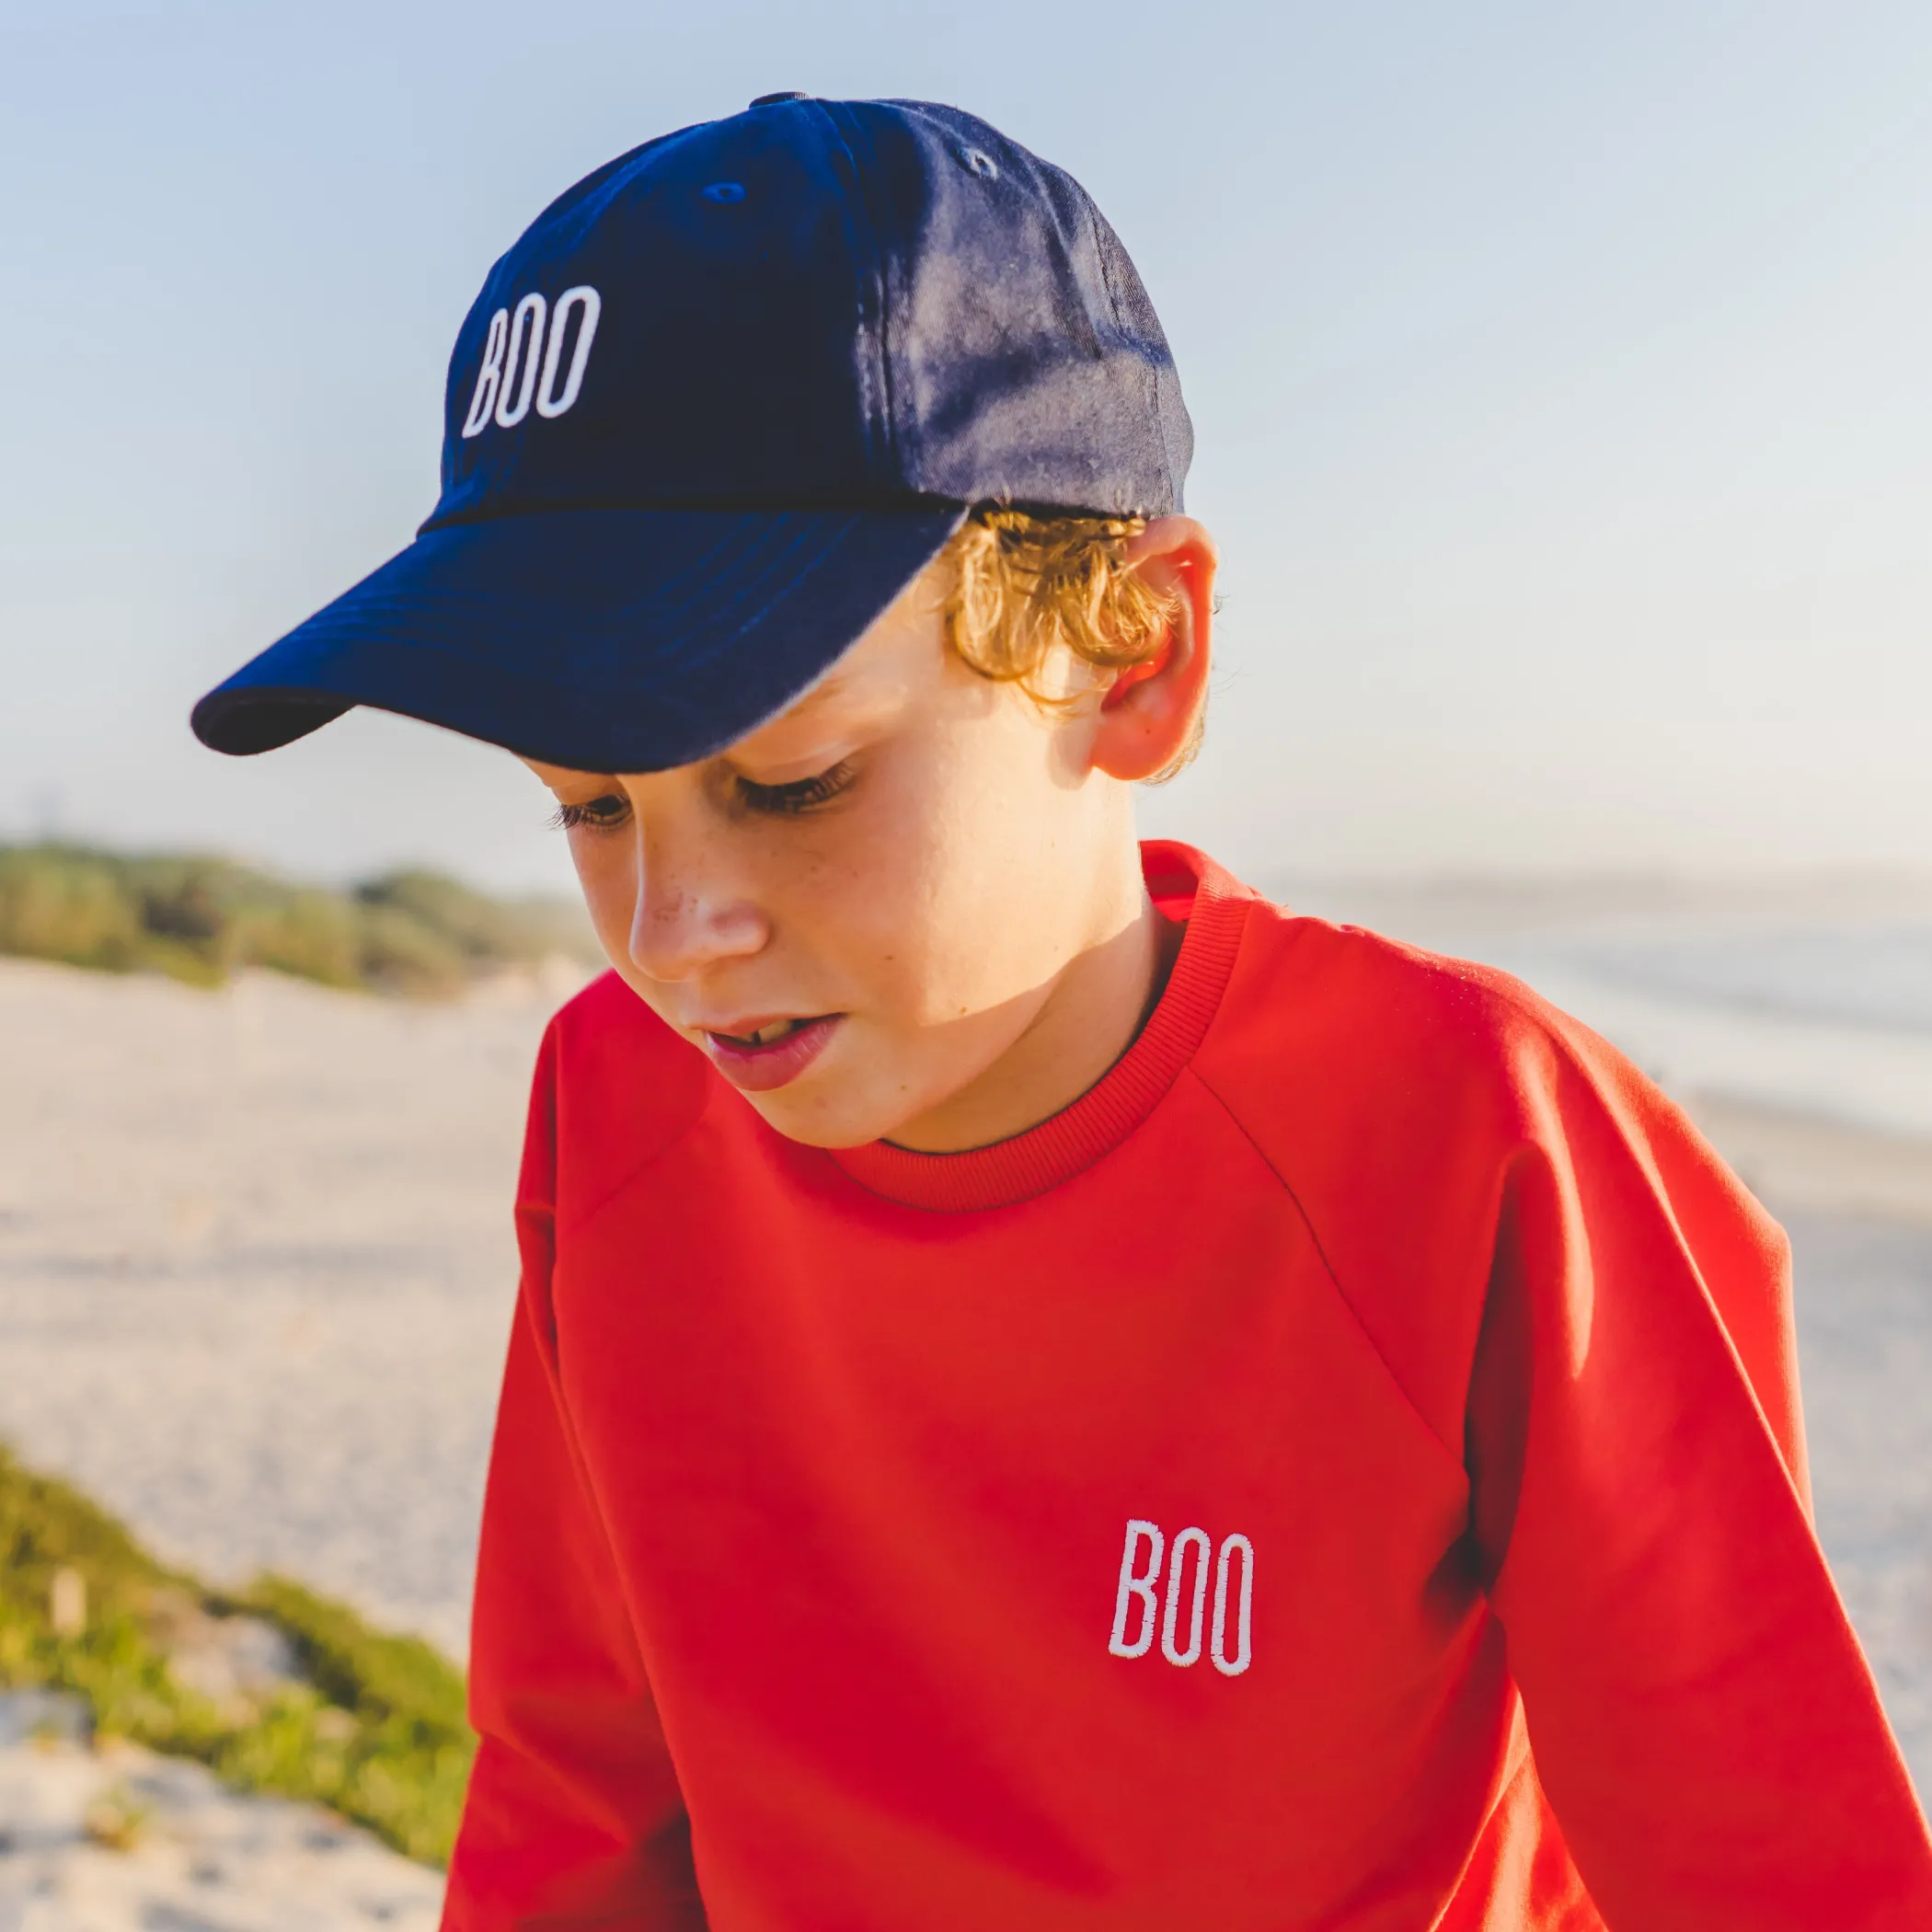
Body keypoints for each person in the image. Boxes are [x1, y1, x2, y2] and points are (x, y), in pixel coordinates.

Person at [192, 95, 1932, 1931]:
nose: (674, 934)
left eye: (793, 783)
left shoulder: (1478, 1141)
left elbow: (1781, 1878)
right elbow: (575, 1817)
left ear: (1132, 659)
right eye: (589, 807)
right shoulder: (615, 1102)